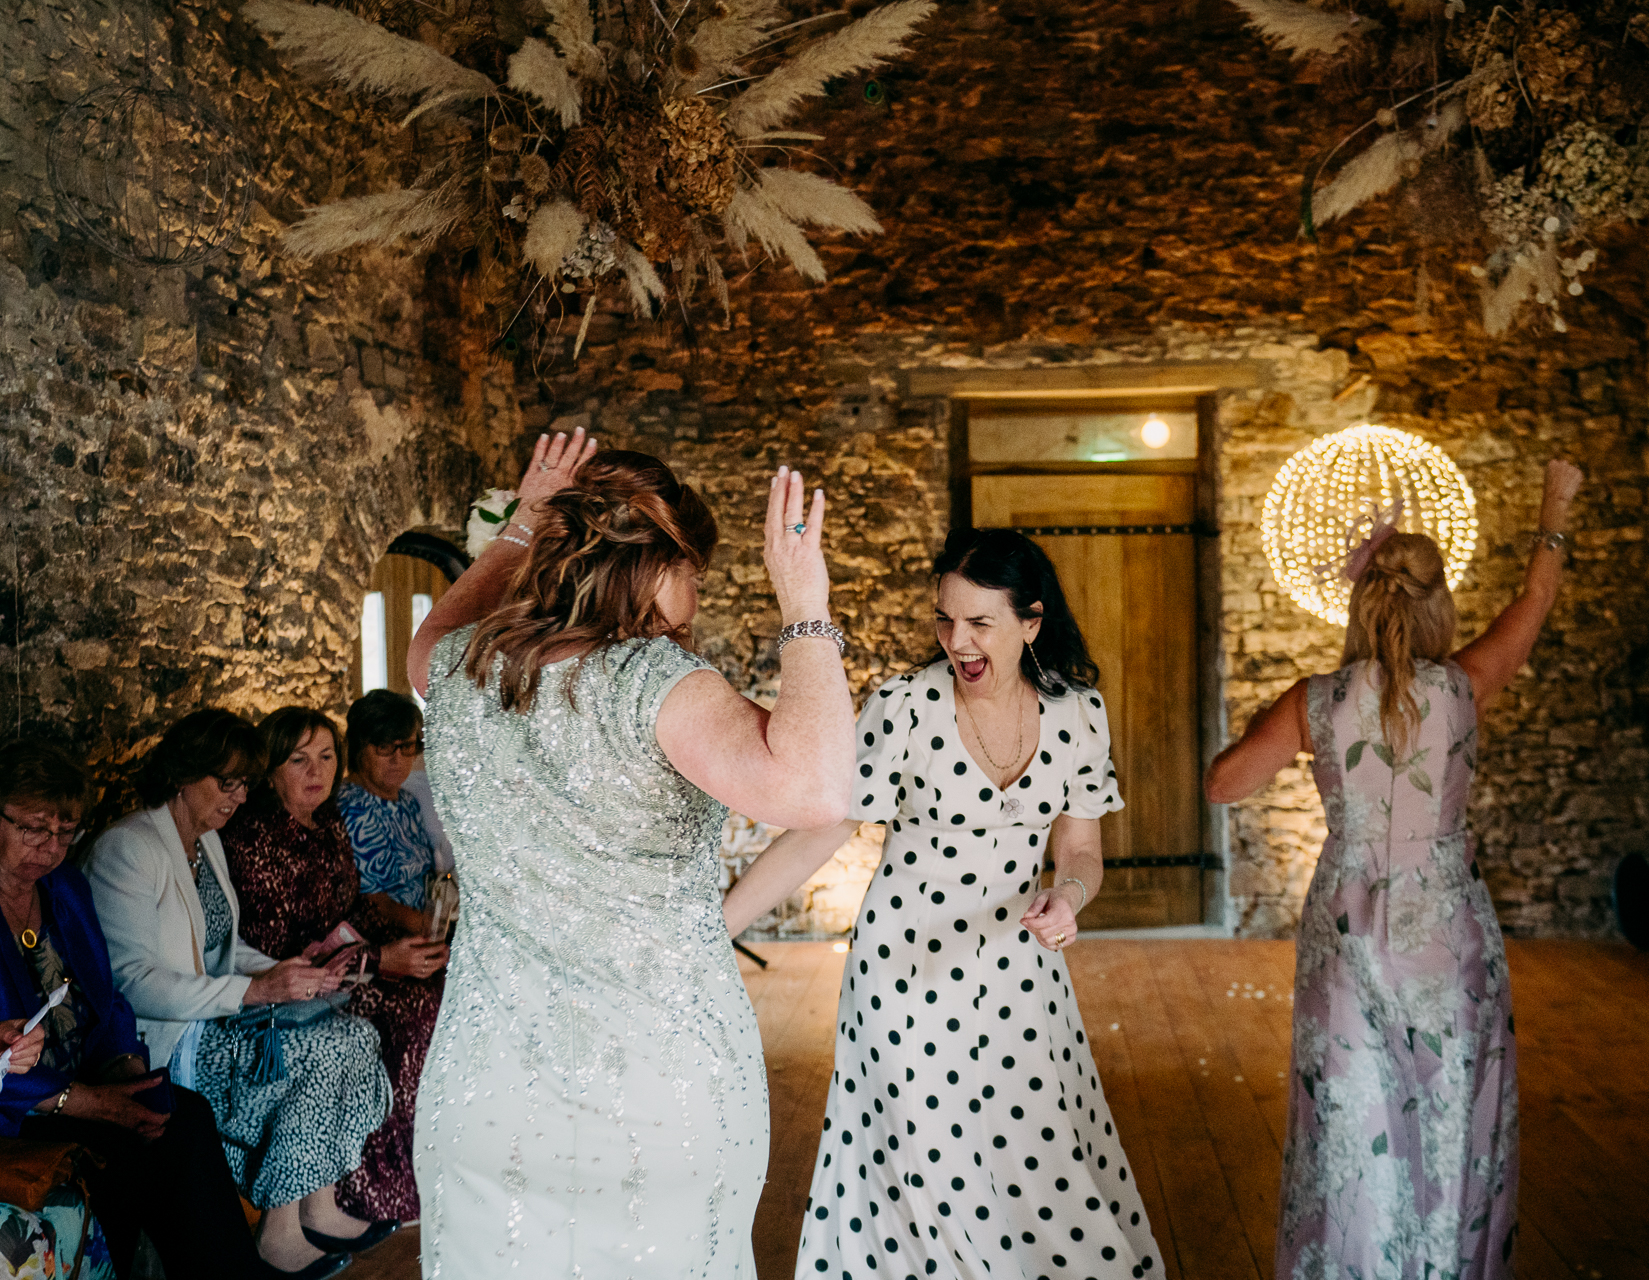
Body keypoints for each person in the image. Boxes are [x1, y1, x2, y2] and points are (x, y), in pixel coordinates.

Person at [405, 429, 855, 1278]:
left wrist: (521, 526)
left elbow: (428, 641)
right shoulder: (658, 686)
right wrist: (804, 604)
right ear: (662, 566)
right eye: (698, 573)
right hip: (658, 1095)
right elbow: (822, 793)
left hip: (488, 1089)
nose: (699, 594)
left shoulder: (457, 668)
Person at [722, 526, 1164, 1280]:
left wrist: (1070, 896)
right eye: (944, 619)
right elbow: (823, 828)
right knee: (923, 1157)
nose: (957, 640)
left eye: (979, 622)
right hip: (903, 971)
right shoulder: (905, 706)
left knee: (1034, 1147)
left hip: (1020, 973)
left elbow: (1081, 849)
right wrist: (713, 928)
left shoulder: (1079, 713)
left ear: (1031, 622)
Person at [1206, 460, 1585, 1279]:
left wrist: (1266, 732)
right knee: (1452, 1112)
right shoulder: (1466, 686)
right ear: (1437, 606)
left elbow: (1224, 784)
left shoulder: (1315, 700)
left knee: (1350, 1116)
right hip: (1447, 927)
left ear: (1360, 602)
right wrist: (1555, 502)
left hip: (1349, 926)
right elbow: (1536, 602)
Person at [86, 710, 395, 1280]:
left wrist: (286, 969)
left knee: (355, 1034)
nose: (236, 796)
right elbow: (133, 983)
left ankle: (318, 1205)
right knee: (319, 1052)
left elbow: (222, 948)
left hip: (216, 1017)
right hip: (169, 1039)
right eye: (222, 782)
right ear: (182, 774)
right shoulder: (129, 848)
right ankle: (278, 1235)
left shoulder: (207, 843)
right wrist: (256, 991)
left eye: (243, 784)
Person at [0, 740, 272, 1279]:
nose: (51, 847)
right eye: (33, 828)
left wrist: (127, 1068)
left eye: (65, 832)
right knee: (119, 1162)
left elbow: (106, 995)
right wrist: (97, 1104)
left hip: (84, 1081)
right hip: (22, 1109)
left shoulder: (65, 888)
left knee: (180, 1117)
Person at [224, 706, 447, 1225]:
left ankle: (415, 1172)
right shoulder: (257, 836)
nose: (317, 772)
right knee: (409, 1014)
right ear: (270, 767)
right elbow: (281, 946)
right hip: (290, 984)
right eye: (299, 760)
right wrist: (382, 959)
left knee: (437, 995)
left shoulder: (326, 822)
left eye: (326, 757)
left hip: (348, 965)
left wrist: (408, 941)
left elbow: (354, 904)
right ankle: (365, 1189)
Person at [338, 692, 438, 936]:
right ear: (360, 746)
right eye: (384, 747)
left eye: (407, 746)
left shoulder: (407, 802)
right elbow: (373, 900)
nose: (398, 759)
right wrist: (433, 929)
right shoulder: (352, 808)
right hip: (387, 945)